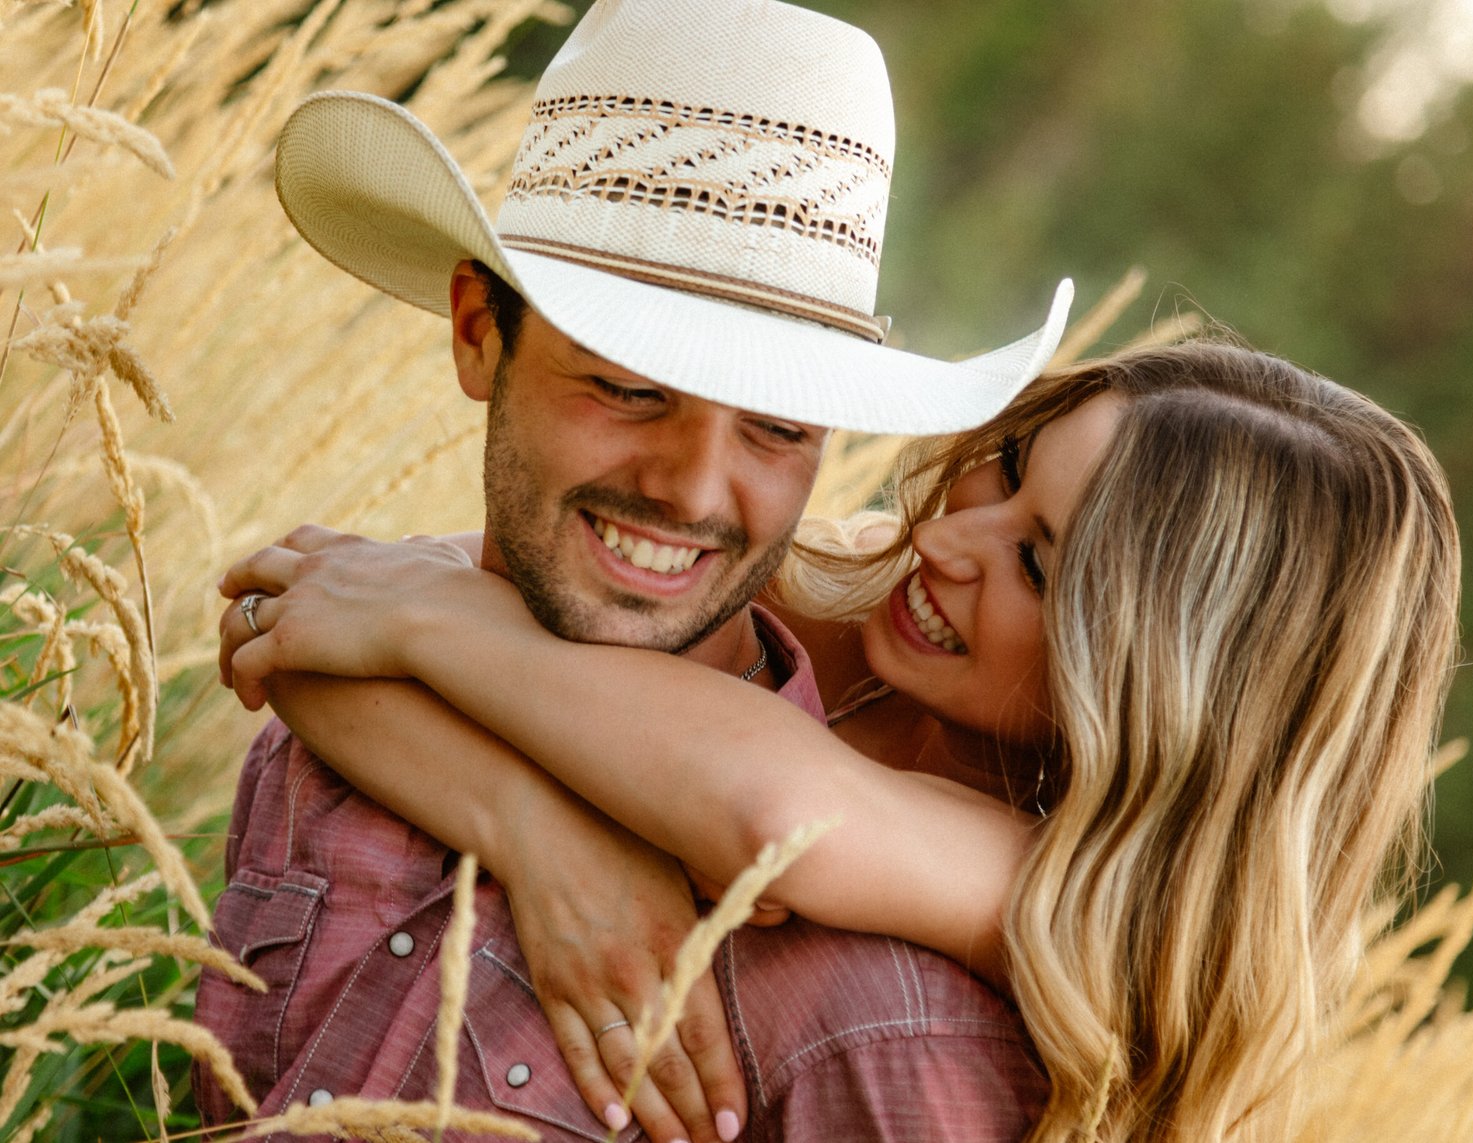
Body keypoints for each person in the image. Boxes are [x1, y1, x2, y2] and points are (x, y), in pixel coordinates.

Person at [194, 1, 1075, 1141]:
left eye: (778, 426)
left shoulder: (882, 1023)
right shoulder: (341, 693)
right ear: (477, 331)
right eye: (627, 388)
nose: (694, 493)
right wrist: (529, 822)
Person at [219, 340, 1462, 1142]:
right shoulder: (866, 595)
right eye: (1005, 468)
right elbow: (314, 625)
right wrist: (539, 836)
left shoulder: (1082, 901)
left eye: (1038, 565)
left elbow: (772, 818)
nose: (945, 541)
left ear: (1159, 697)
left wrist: (427, 623)